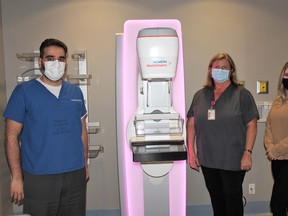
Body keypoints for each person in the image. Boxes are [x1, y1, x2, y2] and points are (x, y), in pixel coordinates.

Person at [4, 38, 89, 216]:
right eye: (50, 58)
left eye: (61, 58)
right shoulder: (24, 92)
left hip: (75, 174)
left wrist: (85, 164)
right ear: (40, 61)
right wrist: (17, 177)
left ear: (66, 62)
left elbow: (82, 131)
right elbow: (11, 137)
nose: (56, 63)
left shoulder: (75, 92)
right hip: (39, 177)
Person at [186, 52, 259, 216]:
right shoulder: (200, 95)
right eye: (216, 67)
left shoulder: (241, 94)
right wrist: (191, 152)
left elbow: (252, 125)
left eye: (224, 67)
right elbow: (191, 124)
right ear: (210, 69)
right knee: (216, 201)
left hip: (232, 160)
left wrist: (247, 153)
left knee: (232, 202)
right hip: (207, 159)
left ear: (231, 70)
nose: (220, 70)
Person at [264, 61, 288, 216]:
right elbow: (268, 127)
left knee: (277, 204)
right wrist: (270, 148)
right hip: (277, 160)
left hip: (284, 157)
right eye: (286, 75)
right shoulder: (277, 101)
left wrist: (278, 149)